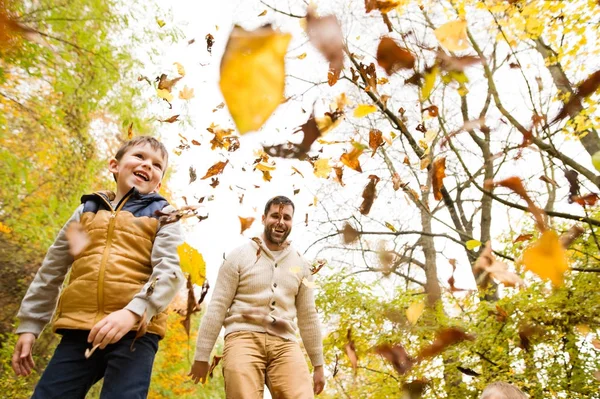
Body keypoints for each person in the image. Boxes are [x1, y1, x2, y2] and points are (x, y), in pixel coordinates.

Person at [11, 136, 185, 398]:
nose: (148, 165)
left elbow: (170, 272)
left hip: (136, 331)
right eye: (139, 157)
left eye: (157, 164)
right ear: (114, 165)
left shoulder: (164, 215)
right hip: (81, 329)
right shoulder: (87, 212)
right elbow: (53, 269)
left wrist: (133, 313)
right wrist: (30, 325)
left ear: (159, 182)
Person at [189, 195, 325, 398]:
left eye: (286, 218)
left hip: (285, 344)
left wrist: (318, 365)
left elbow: (308, 316)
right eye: (275, 216)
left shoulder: (301, 265)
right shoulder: (239, 257)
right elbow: (217, 306)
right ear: (263, 218)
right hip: (243, 337)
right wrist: (202, 355)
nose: (280, 222)